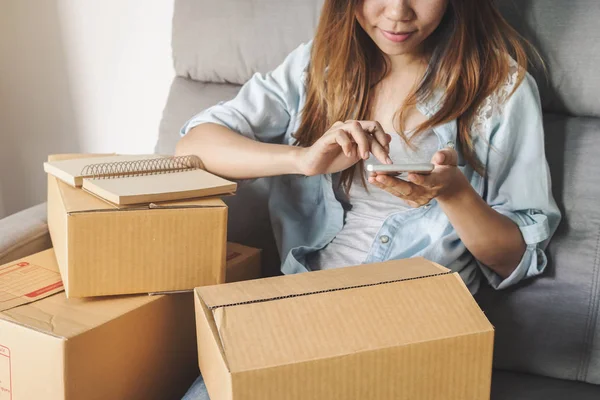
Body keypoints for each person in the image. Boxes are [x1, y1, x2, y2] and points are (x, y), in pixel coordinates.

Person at [176, 0, 561, 398]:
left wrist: (453, 192)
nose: (397, 12)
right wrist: (302, 160)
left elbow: (516, 258)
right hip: (303, 307)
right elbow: (195, 146)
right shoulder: (317, 66)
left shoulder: (498, 86)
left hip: (412, 326)